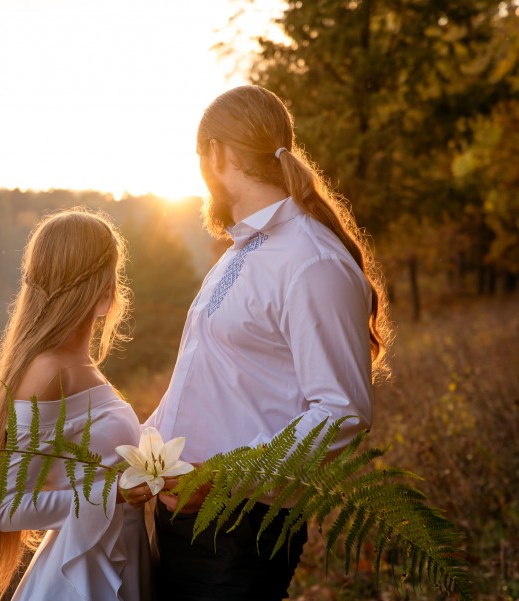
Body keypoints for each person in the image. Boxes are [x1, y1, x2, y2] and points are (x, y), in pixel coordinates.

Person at [145, 85, 391, 600]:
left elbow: (342, 412)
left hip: (240, 530)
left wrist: (227, 479)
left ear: (216, 154)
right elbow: (205, 378)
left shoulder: (312, 261)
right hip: (181, 518)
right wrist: (137, 453)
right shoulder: (237, 252)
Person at [0, 208, 155, 601]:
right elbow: (8, 508)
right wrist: (112, 493)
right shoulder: (48, 371)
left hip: (120, 557)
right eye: (113, 273)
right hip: (82, 578)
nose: (116, 287)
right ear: (99, 284)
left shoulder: (79, 363)